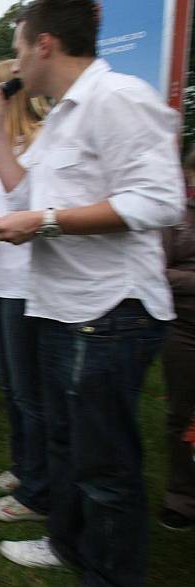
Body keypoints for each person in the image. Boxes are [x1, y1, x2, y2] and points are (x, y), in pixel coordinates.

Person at [0, 2, 185, 582]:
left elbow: (158, 200)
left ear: (44, 45)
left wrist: (45, 223)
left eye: (18, 49)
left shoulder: (117, 97)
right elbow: (21, 197)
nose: (15, 63)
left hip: (110, 312)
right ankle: (68, 545)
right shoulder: (61, 116)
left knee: (106, 467)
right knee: (67, 446)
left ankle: (112, 572)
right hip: (62, 308)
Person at [0, 59, 50, 525]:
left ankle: (38, 492)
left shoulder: (40, 141)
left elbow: (33, 211)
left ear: (4, 95)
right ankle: (24, 470)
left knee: (28, 394)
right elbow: (0, 212)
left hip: (24, 284)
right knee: (13, 390)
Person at [158, 146, 195, 532]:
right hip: (182, 327)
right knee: (179, 414)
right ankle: (181, 497)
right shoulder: (176, 215)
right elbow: (157, 269)